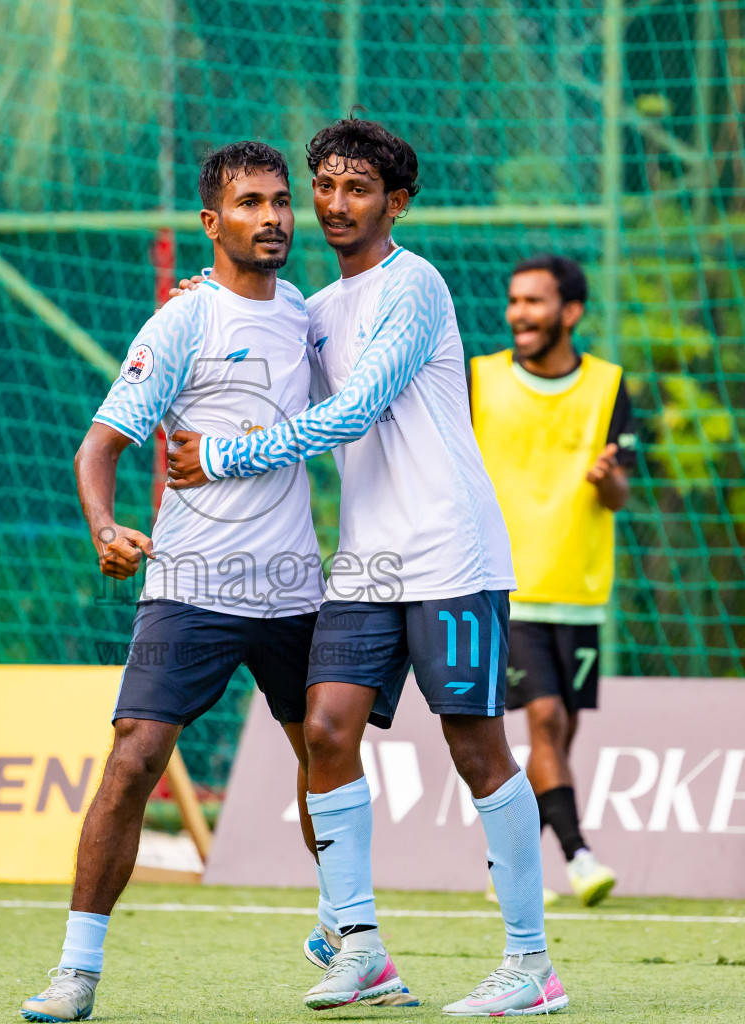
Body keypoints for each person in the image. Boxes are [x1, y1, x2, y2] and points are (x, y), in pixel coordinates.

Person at [169, 118, 566, 1017]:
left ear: (397, 202)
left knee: (476, 749)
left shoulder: (412, 285)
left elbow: (347, 416)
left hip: (450, 553)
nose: (336, 204)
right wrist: (222, 297)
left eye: (358, 189)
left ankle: (531, 964)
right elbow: (270, 371)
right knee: (326, 729)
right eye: (326, 186)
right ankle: (361, 947)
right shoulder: (313, 309)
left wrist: (225, 460)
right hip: (366, 564)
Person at [19, 141, 424, 1022]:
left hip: (292, 587)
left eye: (282, 201)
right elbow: (99, 447)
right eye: (251, 203)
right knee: (133, 762)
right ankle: (76, 970)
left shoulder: (310, 317)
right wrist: (104, 528)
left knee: (326, 757)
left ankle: (356, 942)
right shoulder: (181, 323)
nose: (274, 217)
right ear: (214, 222)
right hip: (189, 587)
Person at [470, 254, 633, 908]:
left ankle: (508, 865)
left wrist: (608, 480)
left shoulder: (609, 385)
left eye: (534, 302)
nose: (519, 314)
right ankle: (580, 856)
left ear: (570, 313)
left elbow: (622, 493)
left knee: (559, 734)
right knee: (542, 718)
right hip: (507, 586)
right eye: (514, 301)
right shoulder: (480, 379)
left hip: (581, 589)